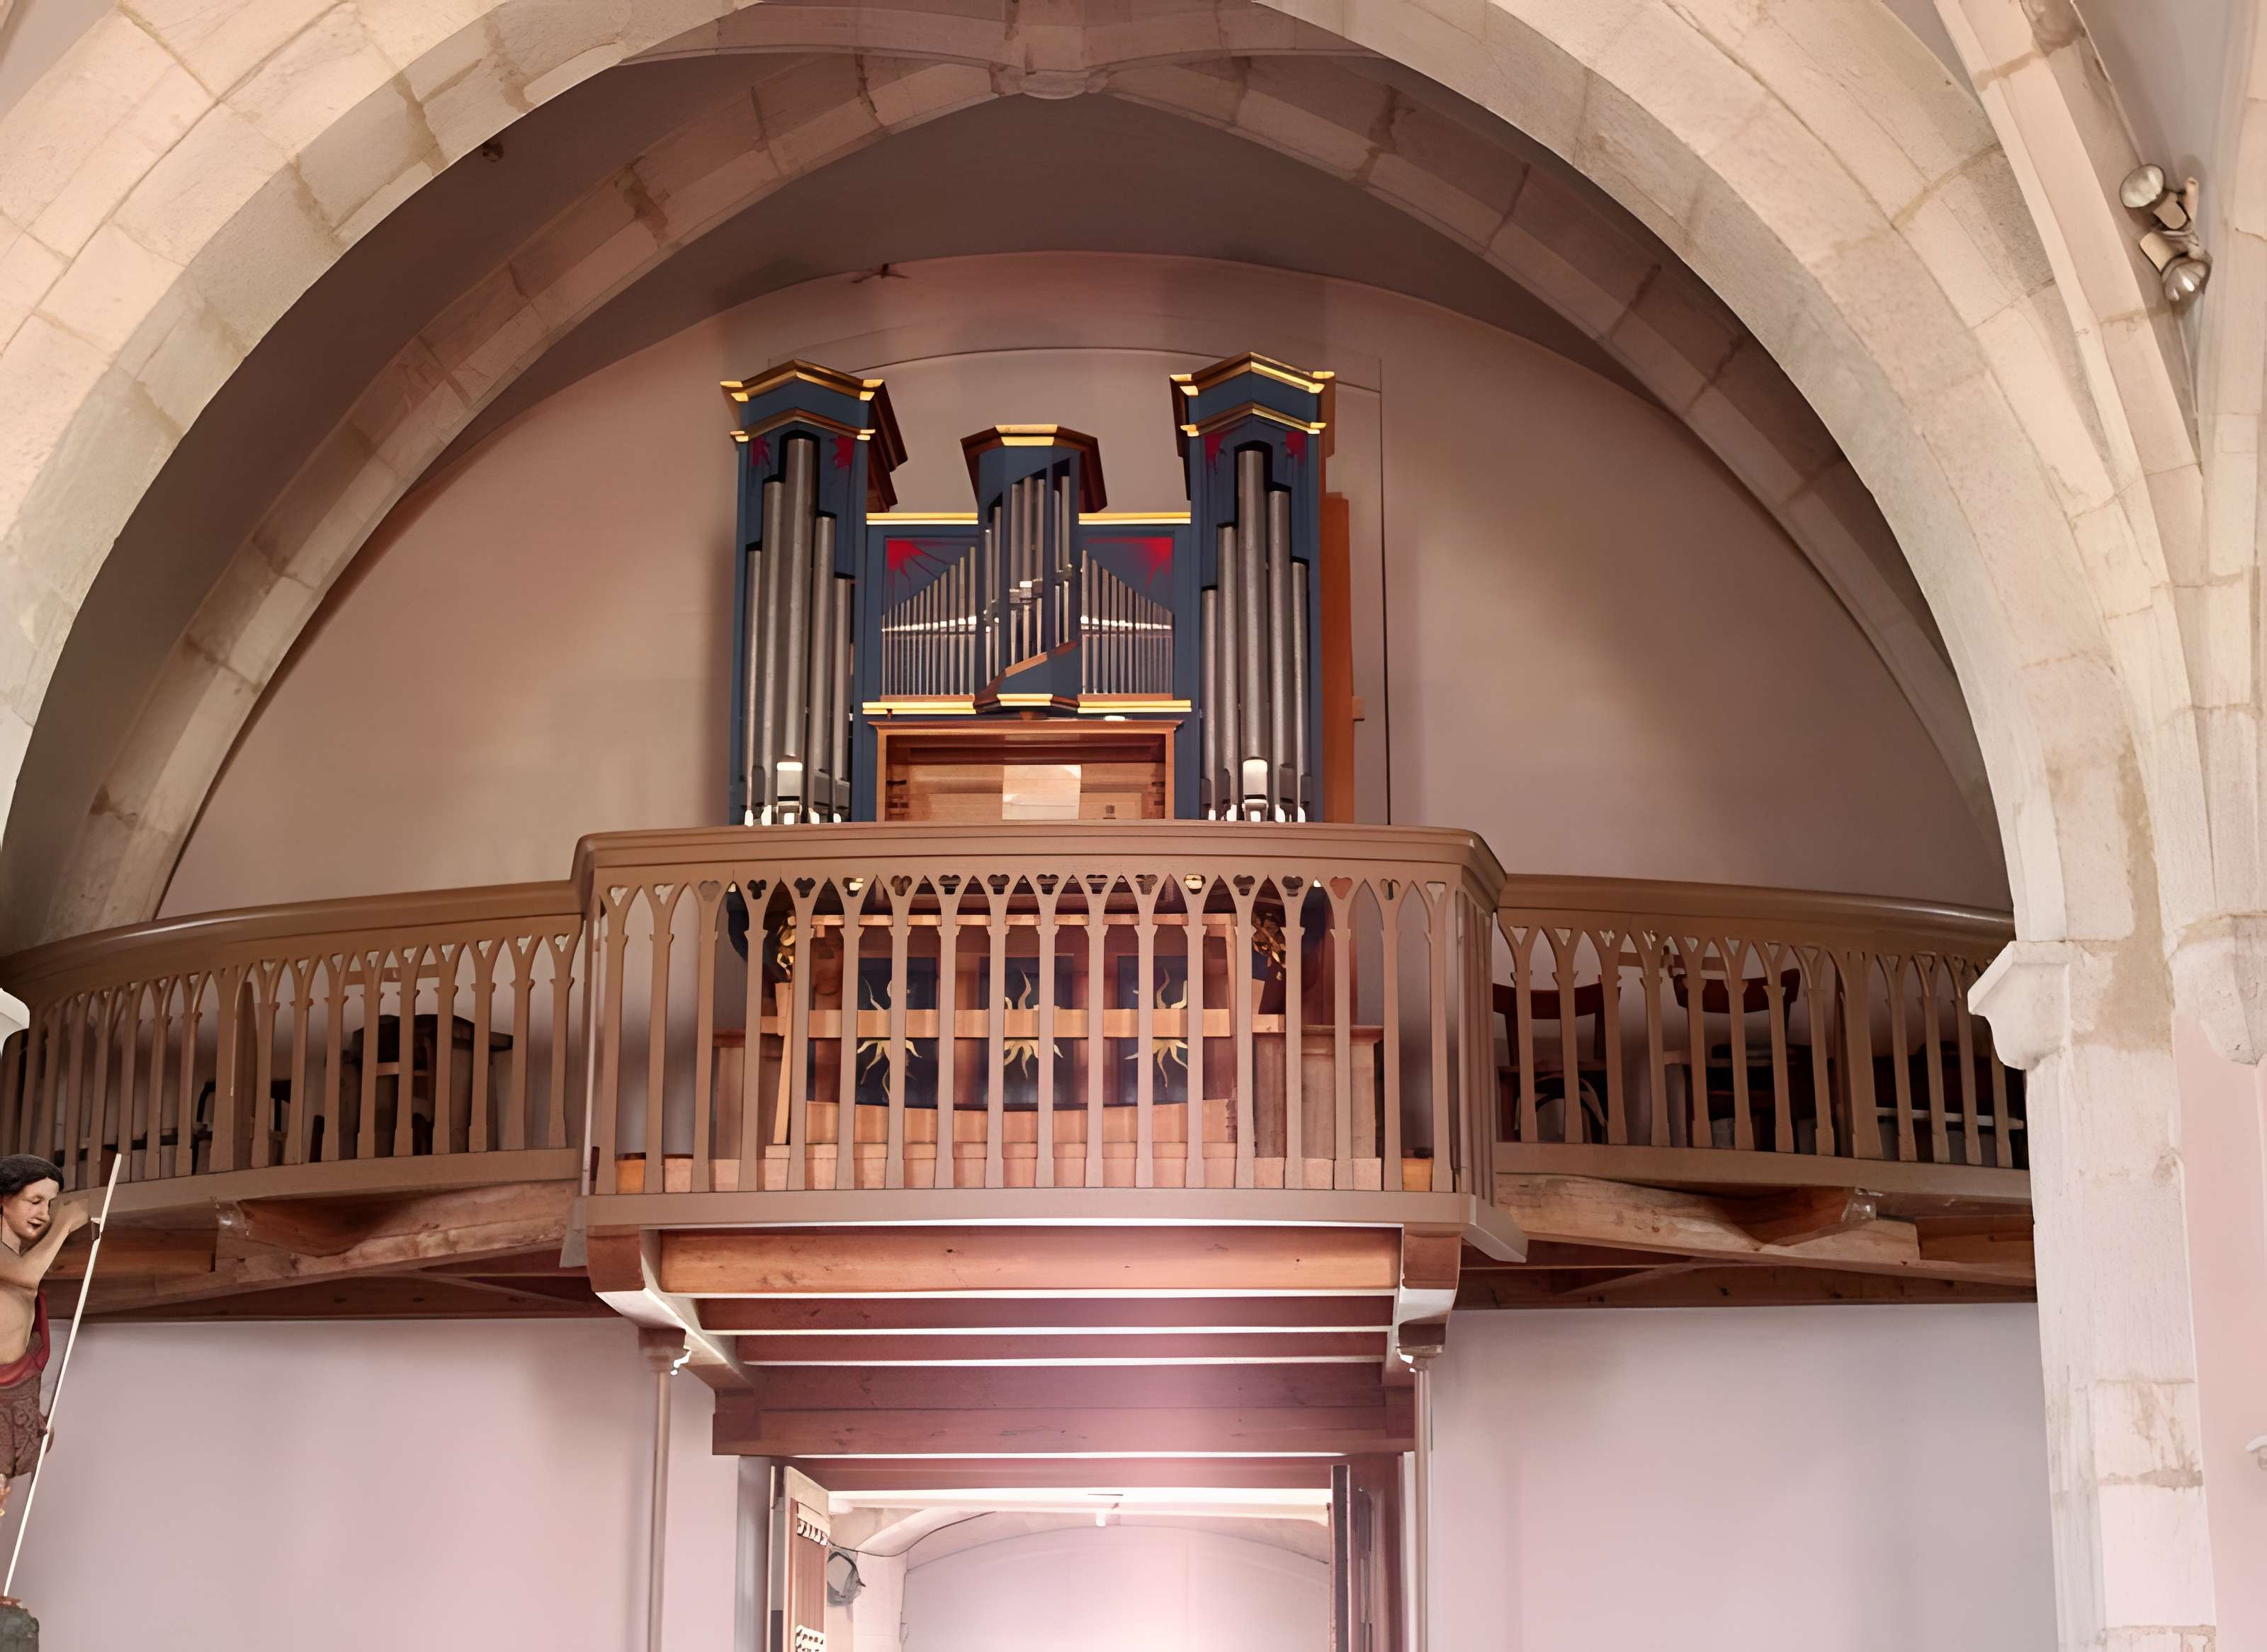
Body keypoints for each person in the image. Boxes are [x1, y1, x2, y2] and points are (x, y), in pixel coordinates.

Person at [0, 1157, 88, 1515]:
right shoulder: (11, 1261)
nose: (45, 1213)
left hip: (13, 1389)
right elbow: (25, 1276)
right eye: (35, 1201)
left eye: (51, 1205)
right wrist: (64, 1226)